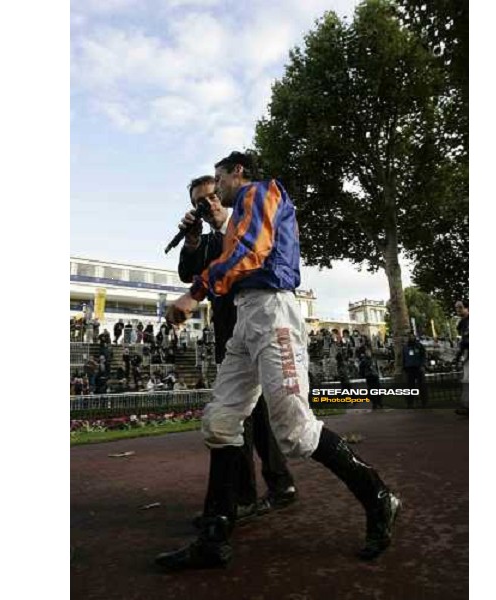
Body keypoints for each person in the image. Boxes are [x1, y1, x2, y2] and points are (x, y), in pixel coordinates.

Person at [155, 151, 400, 570]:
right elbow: (234, 250)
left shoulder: (262, 192)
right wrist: (198, 243)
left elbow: (250, 251)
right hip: (247, 318)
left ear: (237, 172)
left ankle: (378, 496)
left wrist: (194, 295)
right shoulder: (243, 213)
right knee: (221, 422)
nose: (216, 191)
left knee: (294, 432)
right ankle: (214, 535)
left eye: (219, 181)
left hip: (273, 316)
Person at [176, 172, 298, 527]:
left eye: (214, 196)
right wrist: (194, 241)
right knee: (245, 416)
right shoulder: (210, 240)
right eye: (200, 202)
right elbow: (187, 272)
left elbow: (249, 256)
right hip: (230, 336)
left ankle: (250, 494)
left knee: (262, 416)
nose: (209, 203)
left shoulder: (248, 222)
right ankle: (271, 487)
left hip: (262, 327)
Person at [402, 332, 428, 408]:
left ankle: (424, 402)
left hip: (418, 367)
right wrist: (404, 367)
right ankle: (410, 403)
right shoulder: (405, 347)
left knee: (422, 386)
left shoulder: (419, 346)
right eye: (409, 337)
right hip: (409, 369)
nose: (411, 338)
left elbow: (423, 355)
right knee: (410, 387)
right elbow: (404, 358)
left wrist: (422, 365)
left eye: (412, 336)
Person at [454, 300, 469, 416]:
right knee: (466, 379)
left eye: (460, 307)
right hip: (467, 354)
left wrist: (458, 356)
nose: (458, 310)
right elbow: (464, 341)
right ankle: (466, 405)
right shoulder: (462, 323)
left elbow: (466, 341)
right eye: (456, 308)